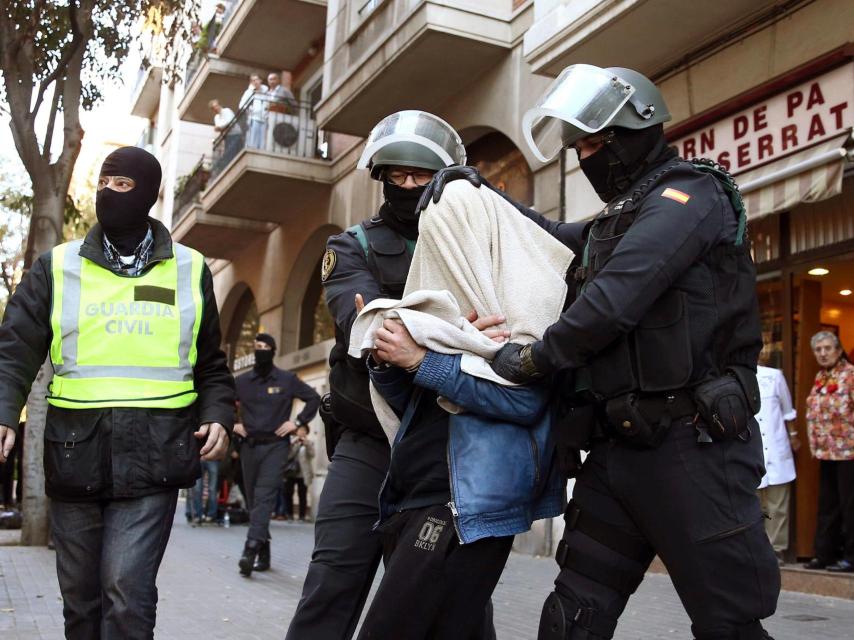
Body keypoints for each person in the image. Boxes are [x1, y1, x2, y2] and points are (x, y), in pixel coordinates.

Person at [421, 64, 779, 640]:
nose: (586, 156)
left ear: (635, 127)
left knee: (729, 623)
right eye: (578, 145)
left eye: (593, 141)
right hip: (618, 451)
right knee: (572, 617)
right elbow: (553, 239)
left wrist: (535, 359)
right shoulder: (621, 218)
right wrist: (481, 196)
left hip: (692, 447)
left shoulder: (692, 195)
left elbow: (616, 299)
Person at [0, 146, 234, 639]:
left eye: (123, 184)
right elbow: (15, 347)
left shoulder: (191, 269)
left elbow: (211, 360)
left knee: (126, 593)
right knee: (81, 603)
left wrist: (216, 412)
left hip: (155, 455)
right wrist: (4, 409)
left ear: (149, 193)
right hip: (75, 451)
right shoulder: (57, 266)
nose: (109, 192)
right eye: (103, 183)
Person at [286, 110, 500, 640]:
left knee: (457, 605)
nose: (408, 187)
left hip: (448, 446)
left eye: (422, 177)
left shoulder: (479, 243)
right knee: (331, 584)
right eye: (397, 176)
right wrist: (456, 331)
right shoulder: (349, 245)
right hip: (369, 443)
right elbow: (364, 325)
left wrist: (417, 331)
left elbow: (511, 322)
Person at [233, 332, 320, 577]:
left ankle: (249, 551)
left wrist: (298, 422)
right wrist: (232, 423)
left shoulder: (286, 379)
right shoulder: (242, 382)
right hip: (249, 447)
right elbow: (220, 401)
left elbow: (313, 398)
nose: (259, 350)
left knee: (263, 498)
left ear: (272, 351)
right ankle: (264, 552)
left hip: (276, 447)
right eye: (255, 346)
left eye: (263, 346)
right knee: (253, 503)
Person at [803, 330, 854, 573]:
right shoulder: (820, 378)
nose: (822, 353)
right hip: (825, 452)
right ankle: (824, 554)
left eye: (827, 348)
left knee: (850, 505)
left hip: (849, 452)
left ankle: (851, 558)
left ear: (838, 349)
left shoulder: (850, 375)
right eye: (818, 350)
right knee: (827, 506)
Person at [756, 362, 798, 565]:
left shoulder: (774, 376)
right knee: (755, 506)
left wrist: (794, 436)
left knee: (777, 505)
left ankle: (776, 550)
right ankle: (757, 549)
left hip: (775, 446)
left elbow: (788, 411)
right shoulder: (733, 378)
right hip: (752, 450)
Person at [283, 423, 314, 521]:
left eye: (304, 430)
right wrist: (295, 445)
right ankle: (289, 514)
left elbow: (312, 455)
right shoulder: (292, 442)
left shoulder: (310, 443)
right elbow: (288, 456)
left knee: (303, 494)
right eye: (300, 430)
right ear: (296, 431)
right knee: (288, 493)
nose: (302, 432)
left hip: (303, 473)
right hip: (290, 472)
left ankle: (302, 516)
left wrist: (307, 445)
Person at [209, 99, 242, 168]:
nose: (216, 108)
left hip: (235, 134)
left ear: (219, 105)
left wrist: (221, 127)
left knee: (233, 154)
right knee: (229, 155)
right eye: (214, 108)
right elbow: (219, 127)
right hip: (228, 136)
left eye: (216, 106)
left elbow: (229, 123)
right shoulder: (216, 117)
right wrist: (222, 128)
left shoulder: (227, 111)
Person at [239, 73, 268, 149]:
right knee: (253, 139)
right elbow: (241, 105)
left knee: (263, 140)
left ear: (260, 80)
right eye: (253, 80)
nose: (255, 82)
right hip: (254, 118)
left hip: (265, 118)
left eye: (256, 79)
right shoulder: (249, 92)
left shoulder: (266, 91)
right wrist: (250, 109)